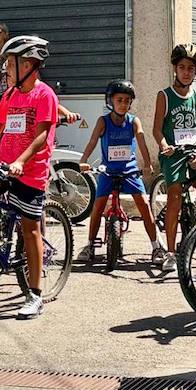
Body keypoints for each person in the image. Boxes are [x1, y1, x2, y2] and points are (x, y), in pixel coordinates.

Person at [0, 34, 58, 320]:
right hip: (4, 164)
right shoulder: (10, 95)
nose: (6, 69)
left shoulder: (44, 94)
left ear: (30, 65)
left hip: (30, 170)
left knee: (30, 228)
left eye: (11, 63)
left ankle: (34, 295)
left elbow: (43, 135)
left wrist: (22, 161)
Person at [78, 80, 165, 267]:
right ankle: (90, 245)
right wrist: (84, 160)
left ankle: (156, 246)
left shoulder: (134, 122)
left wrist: (148, 164)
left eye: (127, 100)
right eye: (119, 100)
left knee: (143, 204)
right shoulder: (103, 121)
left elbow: (141, 141)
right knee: (98, 205)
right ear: (111, 101)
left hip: (130, 170)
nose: (123, 104)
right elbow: (93, 140)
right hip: (108, 171)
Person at [153, 43, 196, 273]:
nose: (186, 72)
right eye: (182, 67)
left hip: (193, 151)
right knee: (174, 197)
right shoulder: (164, 96)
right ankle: (171, 252)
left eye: (191, 69)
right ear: (175, 68)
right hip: (173, 153)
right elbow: (157, 129)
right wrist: (164, 145)